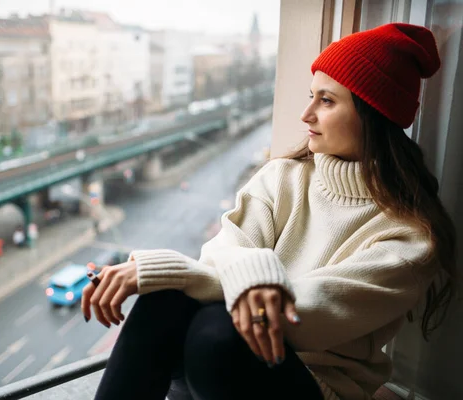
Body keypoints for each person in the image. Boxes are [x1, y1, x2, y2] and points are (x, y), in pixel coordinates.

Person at [81, 23, 457, 400]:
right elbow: (223, 251)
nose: (306, 114)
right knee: (165, 302)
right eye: (311, 96)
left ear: (374, 113)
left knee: (220, 329)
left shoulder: (410, 238)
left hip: (313, 386)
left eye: (326, 101)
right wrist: (213, 279)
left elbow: (299, 314)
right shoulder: (284, 177)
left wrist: (165, 270)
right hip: (224, 368)